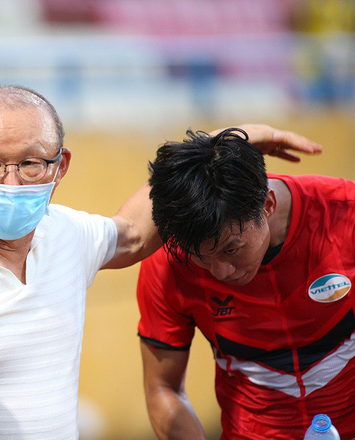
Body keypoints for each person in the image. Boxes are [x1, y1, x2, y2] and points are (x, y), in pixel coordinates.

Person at [0, 85, 320, 440]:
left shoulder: (67, 234)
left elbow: (136, 231)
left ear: (60, 164)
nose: (10, 182)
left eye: (30, 163)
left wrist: (232, 141)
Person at [137, 128, 354, 440]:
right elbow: (162, 387)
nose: (221, 272)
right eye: (201, 257)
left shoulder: (345, 214)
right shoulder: (168, 264)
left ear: (267, 205)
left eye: (231, 249)